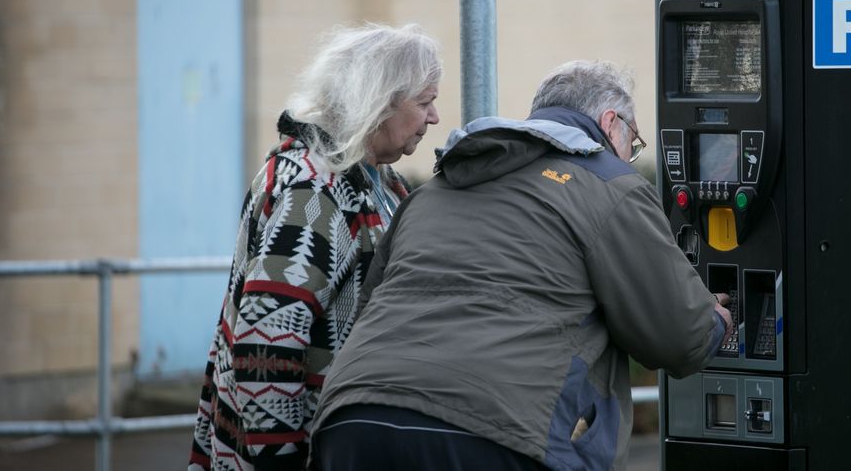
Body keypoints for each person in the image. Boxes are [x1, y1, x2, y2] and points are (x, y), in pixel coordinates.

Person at [308, 60, 732, 471]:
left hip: (352, 419)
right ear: (609, 123)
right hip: (492, 431)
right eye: (633, 142)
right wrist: (717, 320)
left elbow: (370, 308)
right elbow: (677, 336)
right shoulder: (608, 185)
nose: (629, 157)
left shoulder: (433, 190)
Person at [189, 23, 442, 471]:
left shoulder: (375, 180)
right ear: (379, 101)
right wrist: (281, 460)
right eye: (424, 102)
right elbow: (266, 343)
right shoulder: (313, 191)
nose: (434, 117)